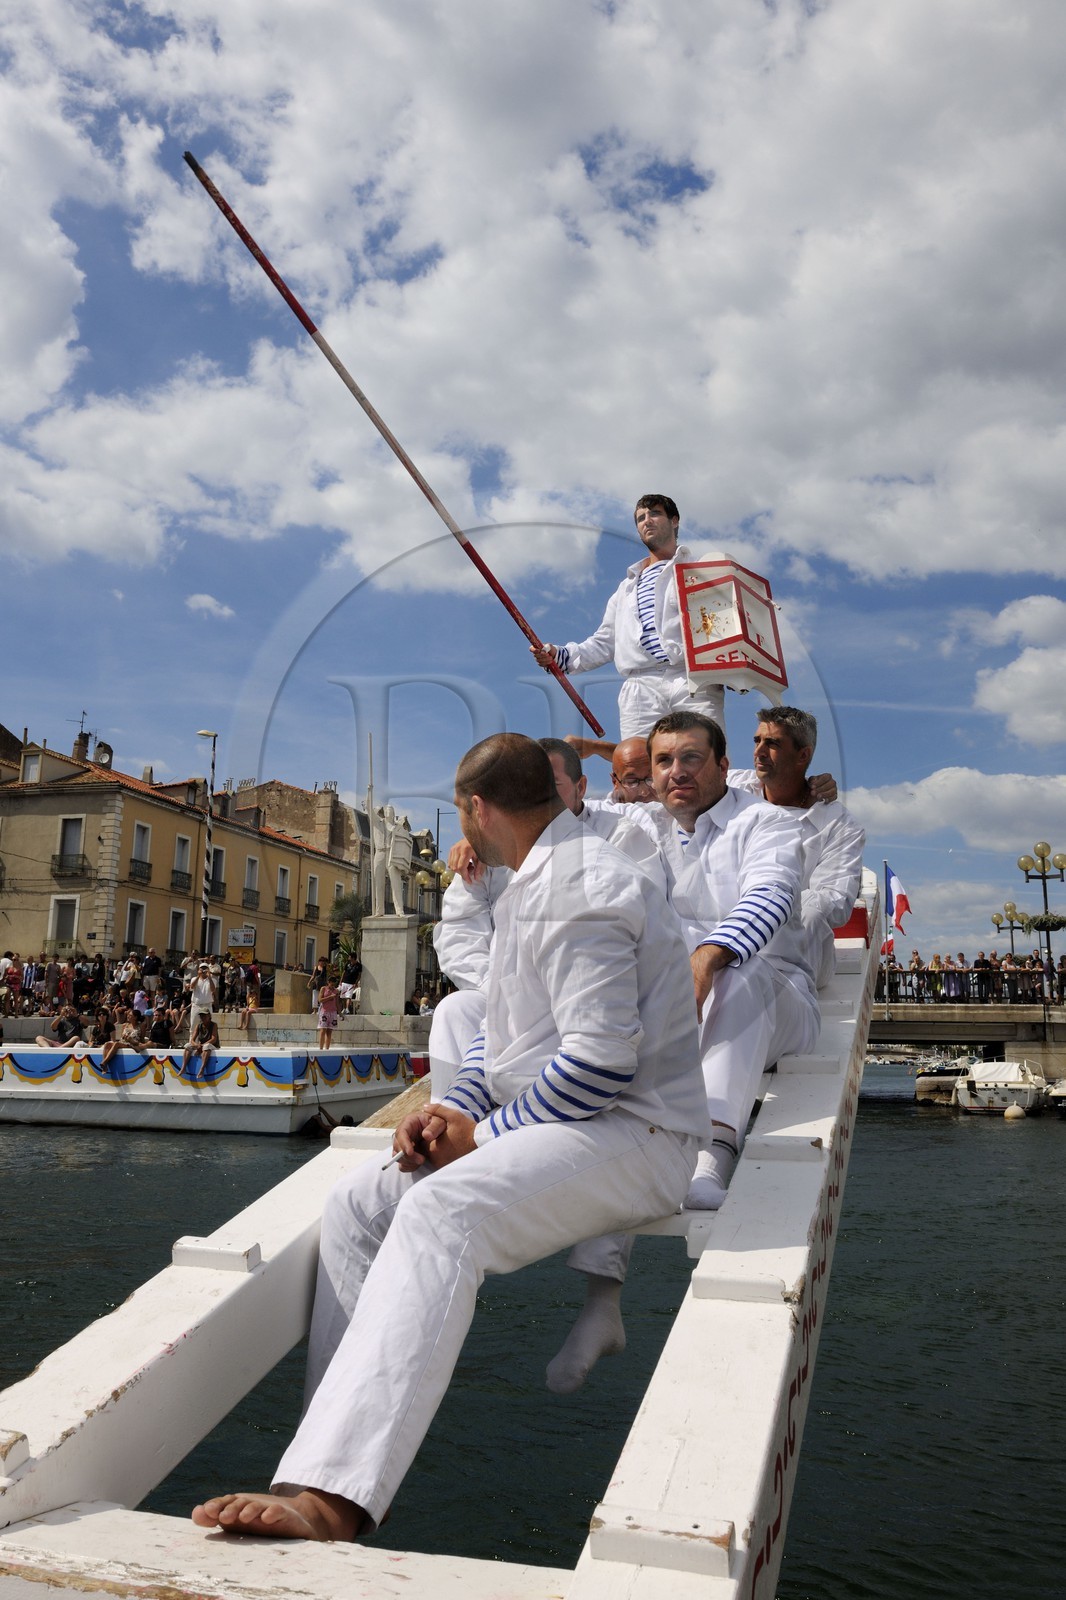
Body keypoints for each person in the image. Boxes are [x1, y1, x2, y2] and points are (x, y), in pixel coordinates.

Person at [191, 733, 709, 1542]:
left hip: (640, 1132)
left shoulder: (586, 888)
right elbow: (495, 1046)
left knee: (444, 1212)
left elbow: (604, 1067)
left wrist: (484, 1135)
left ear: (478, 810)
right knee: (360, 1204)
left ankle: (335, 1498)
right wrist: (448, 1112)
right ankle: (321, 1460)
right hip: (571, 1117)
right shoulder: (533, 882)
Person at [548, 710, 822, 1394]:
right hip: (681, 1004)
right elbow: (567, 818)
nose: (676, 772)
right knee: (624, 1057)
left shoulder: (768, 824)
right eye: (664, 761)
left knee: (733, 969)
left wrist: (707, 956)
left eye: (691, 758)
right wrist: (472, 841)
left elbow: (771, 897)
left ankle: (713, 1152)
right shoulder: (642, 828)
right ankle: (602, 1300)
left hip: (775, 994)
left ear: (722, 764)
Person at [530, 494, 724, 738]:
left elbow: (725, 624)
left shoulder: (701, 570)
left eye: (655, 513)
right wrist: (560, 656)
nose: (647, 521)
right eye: (640, 518)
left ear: (674, 520)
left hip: (692, 680)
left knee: (704, 757)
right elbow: (605, 642)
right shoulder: (625, 589)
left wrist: (732, 667)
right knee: (638, 766)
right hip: (640, 686)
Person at [183, 1012, 219, 1081]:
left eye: (204, 1016)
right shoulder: (199, 1025)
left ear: (209, 1016)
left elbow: (213, 1039)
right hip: (201, 1046)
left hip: (212, 1046)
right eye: (201, 1016)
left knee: (206, 1046)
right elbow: (192, 1040)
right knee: (187, 1046)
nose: (203, 1017)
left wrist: (201, 1046)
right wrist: (196, 1045)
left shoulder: (214, 1025)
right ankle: (183, 1068)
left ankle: (202, 1069)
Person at [317, 971, 339, 1049]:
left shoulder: (336, 991)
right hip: (324, 1012)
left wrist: (340, 1012)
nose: (333, 985)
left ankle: (327, 1049)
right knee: (323, 1030)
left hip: (333, 1012)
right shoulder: (323, 989)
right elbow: (320, 1000)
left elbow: (337, 1003)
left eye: (334, 984)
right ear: (328, 982)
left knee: (329, 1032)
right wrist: (330, 997)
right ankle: (321, 1048)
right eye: (331, 983)